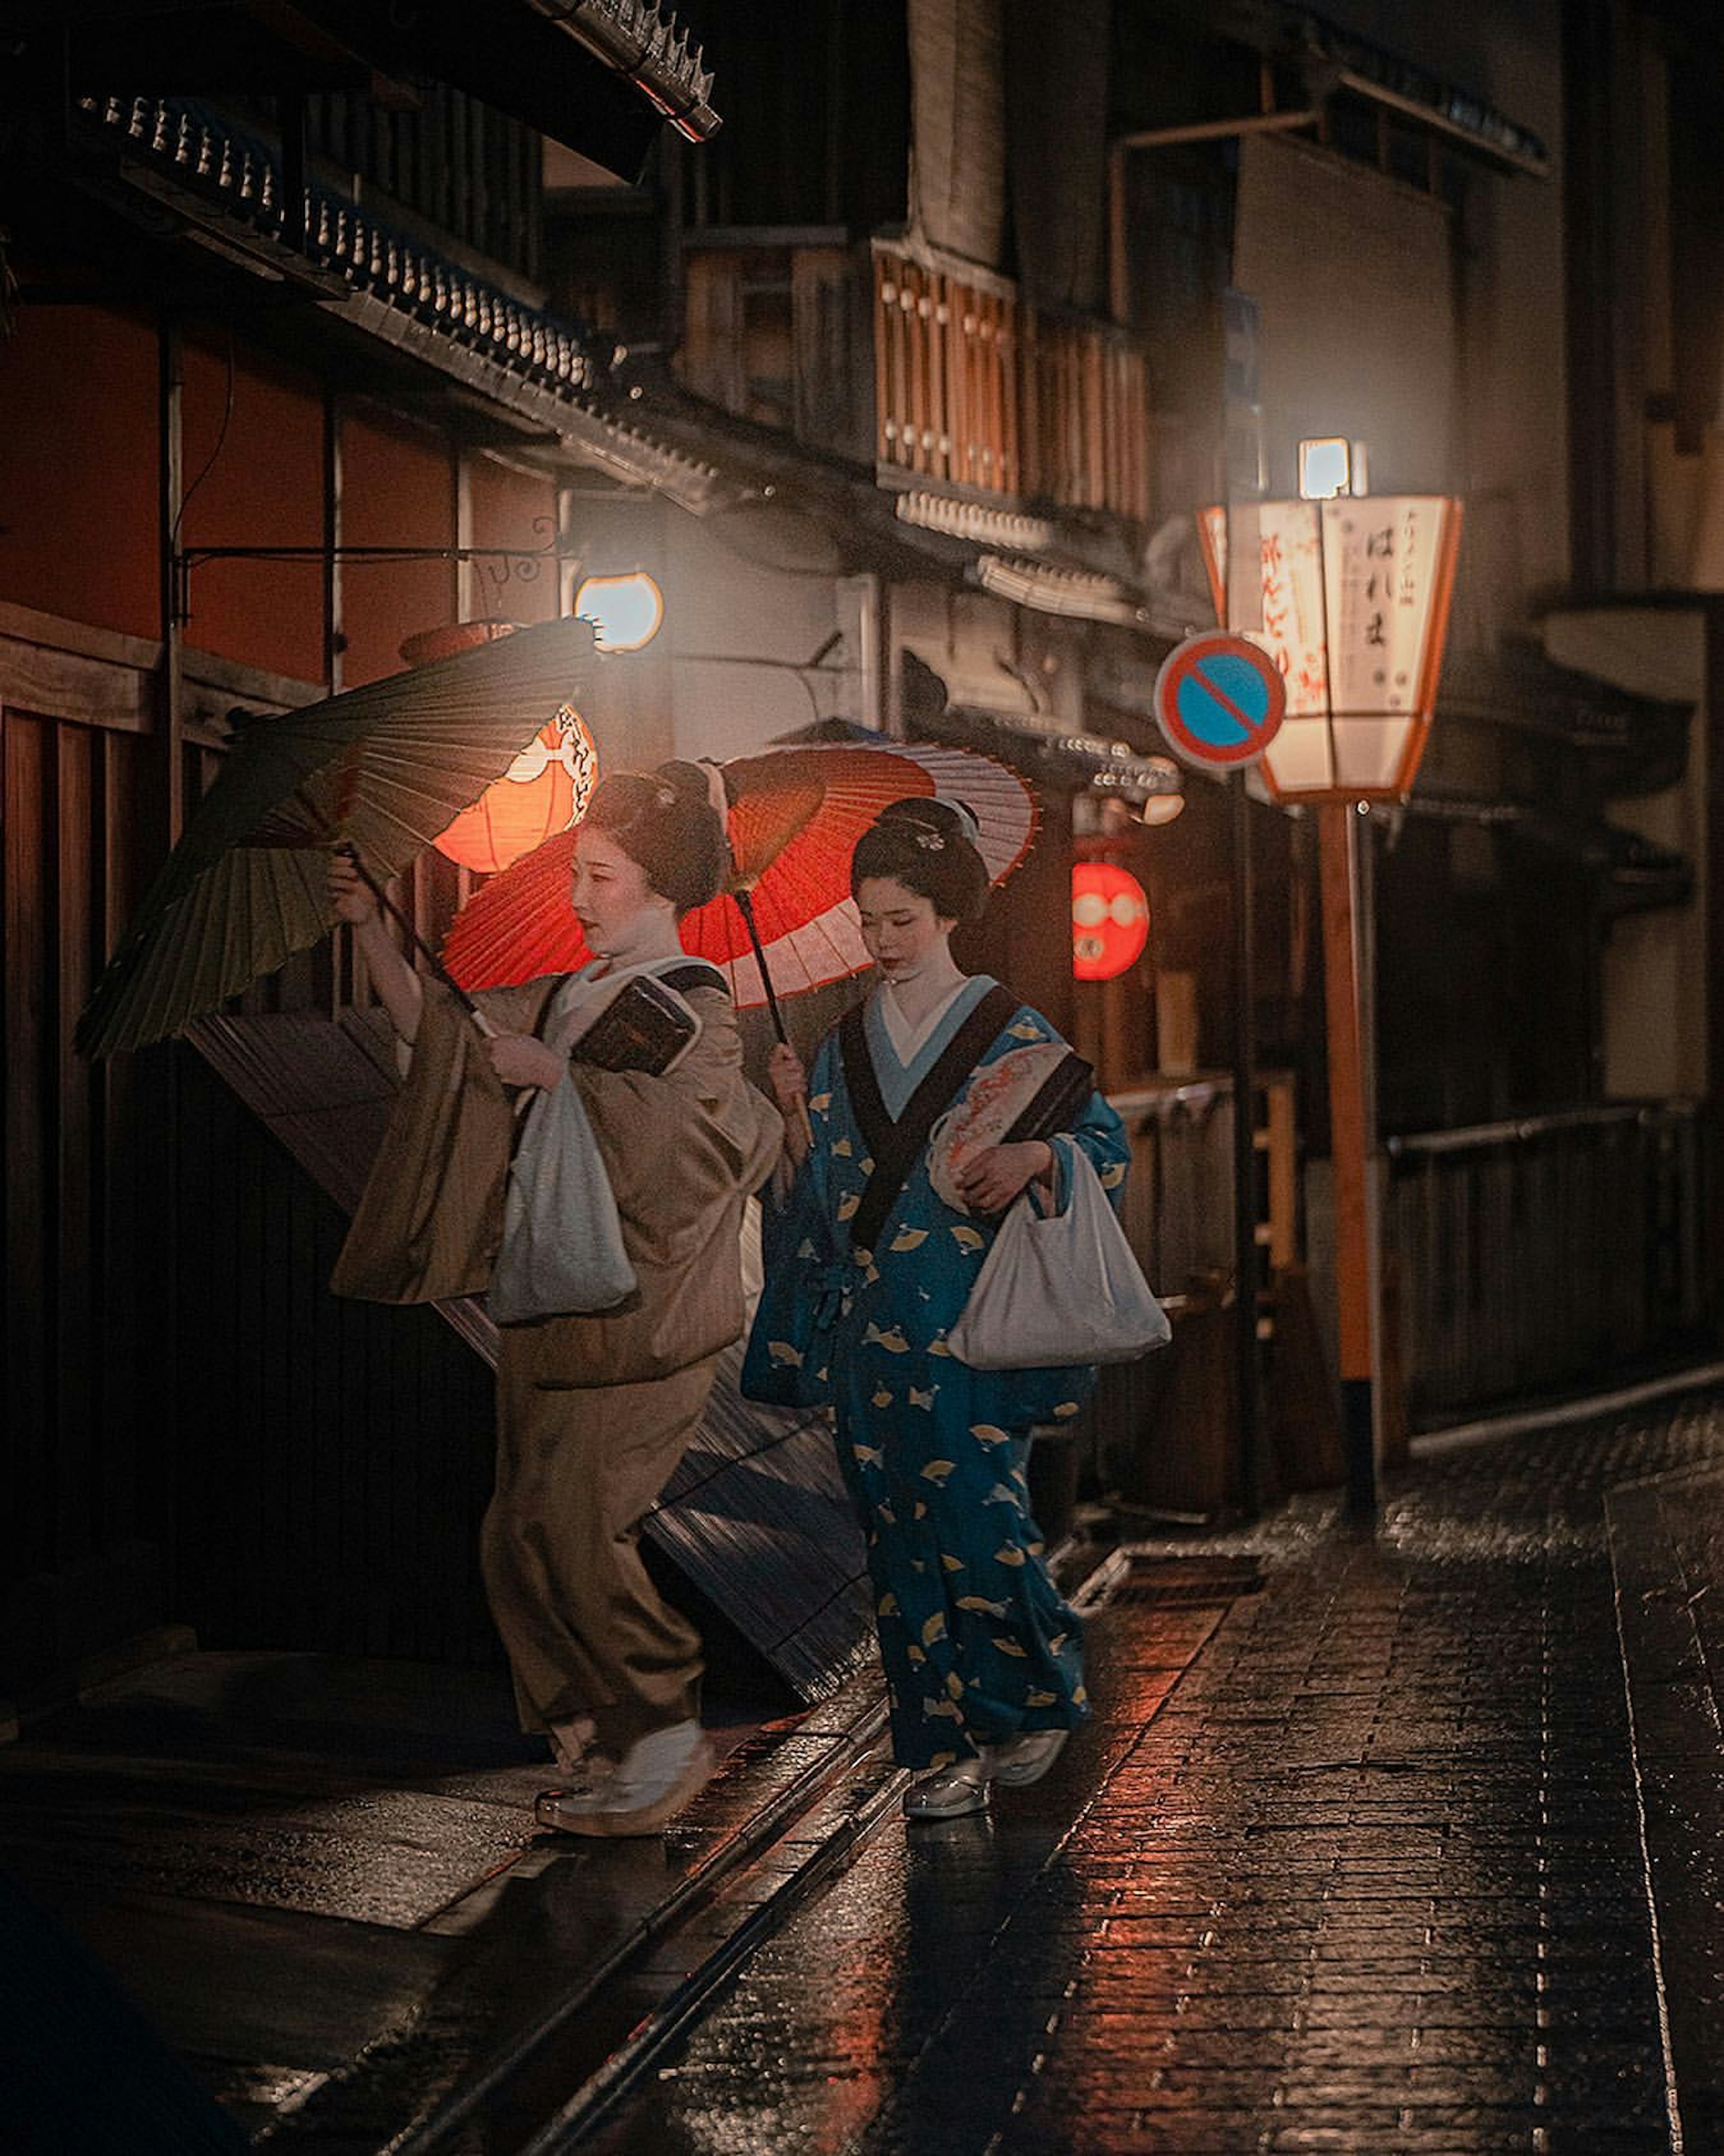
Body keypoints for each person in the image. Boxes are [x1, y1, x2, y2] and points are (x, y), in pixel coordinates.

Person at [327, 764, 782, 1837]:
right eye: (578, 871)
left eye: (602, 875)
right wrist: (370, 930)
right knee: (516, 1534)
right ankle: (598, 1731)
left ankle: (663, 1726)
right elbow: (453, 1053)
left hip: (644, 1312)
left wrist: (562, 1079)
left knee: (574, 1525)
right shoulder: (571, 994)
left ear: (660, 886)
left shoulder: (693, 1004)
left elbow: (703, 1143)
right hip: (552, 1294)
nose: (579, 895)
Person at [747, 797, 1130, 1820]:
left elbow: (1104, 1146)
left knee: (978, 1512)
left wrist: (1035, 1153)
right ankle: (939, 1744)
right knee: (895, 1537)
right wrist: (792, 1118)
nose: (882, 942)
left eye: (903, 922)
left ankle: (1030, 1696)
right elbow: (823, 1198)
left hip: (973, 1320)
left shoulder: (1011, 1029)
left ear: (949, 914)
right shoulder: (837, 1047)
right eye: (870, 923)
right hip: (874, 1328)